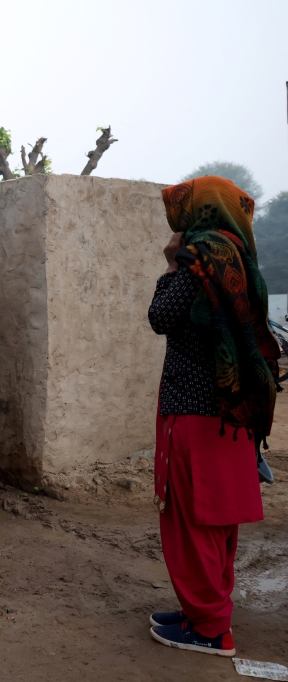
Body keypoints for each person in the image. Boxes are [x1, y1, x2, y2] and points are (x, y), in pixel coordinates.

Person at [147, 176, 278, 656]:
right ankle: (203, 610)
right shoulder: (242, 258)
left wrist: (169, 265)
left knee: (191, 519)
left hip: (197, 412)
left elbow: (161, 316)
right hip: (232, 411)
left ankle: (210, 629)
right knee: (218, 520)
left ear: (200, 211)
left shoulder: (198, 258)